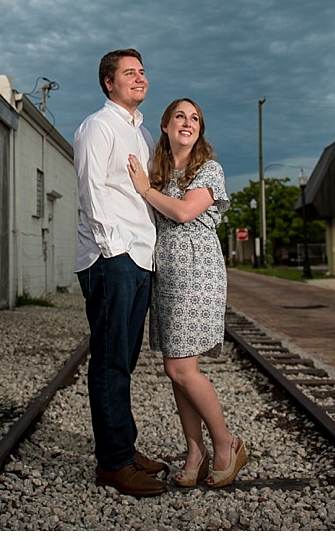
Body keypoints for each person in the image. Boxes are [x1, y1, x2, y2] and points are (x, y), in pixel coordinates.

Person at [125, 98, 248, 489]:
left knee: (181, 368)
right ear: (164, 125)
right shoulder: (161, 172)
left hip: (197, 273)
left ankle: (226, 444)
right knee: (176, 371)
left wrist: (144, 190)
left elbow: (182, 213)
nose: (188, 122)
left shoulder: (208, 169)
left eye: (195, 118)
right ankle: (195, 451)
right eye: (180, 115)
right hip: (168, 274)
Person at [73, 48, 169, 497]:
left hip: (140, 256)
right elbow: (92, 190)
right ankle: (112, 463)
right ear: (108, 82)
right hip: (113, 257)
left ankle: (124, 450)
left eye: (143, 72)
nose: (139, 78)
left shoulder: (144, 133)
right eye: (129, 72)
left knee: (124, 363)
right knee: (110, 362)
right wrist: (115, 251)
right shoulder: (98, 126)